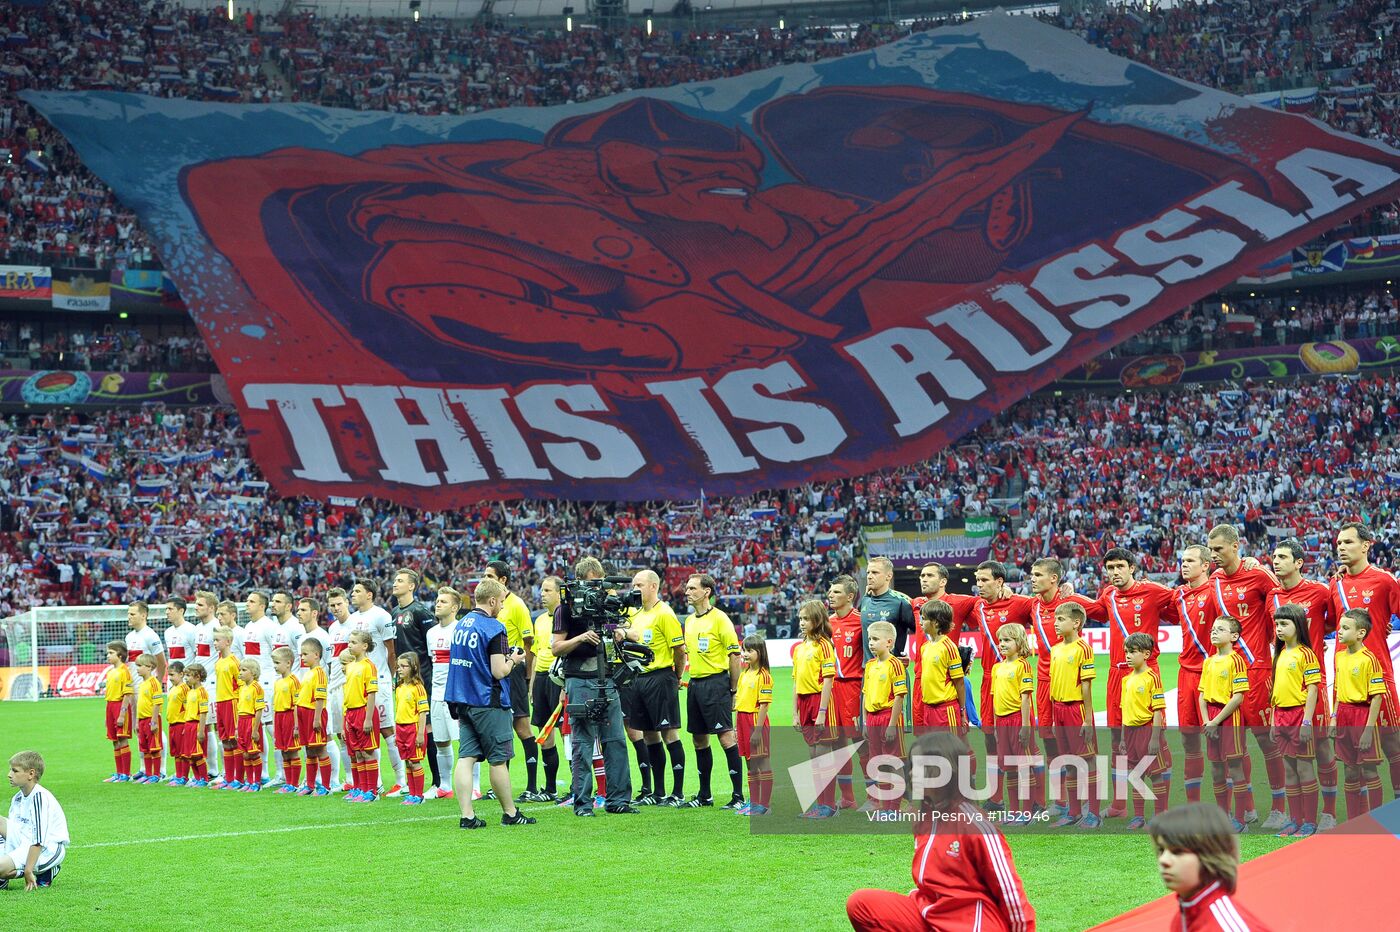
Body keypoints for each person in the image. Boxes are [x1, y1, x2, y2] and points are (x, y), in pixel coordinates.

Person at [846, 732, 1035, 932]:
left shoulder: (974, 825)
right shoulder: (925, 819)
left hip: (969, 923)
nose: (911, 773)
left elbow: (1010, 891)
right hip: (930, 913)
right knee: (861, 904)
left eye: (920, 766)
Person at [1207, 524, 1286, 828]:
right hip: (1227, 674)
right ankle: (1248, 808)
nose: (1214, 555)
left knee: (1267, 740)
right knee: (1234, 747)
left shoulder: (1259, 574)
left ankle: (1279, 807)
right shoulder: (1214, 580)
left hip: (1257, 670)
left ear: (1236, 546)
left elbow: (1283, 602)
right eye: (1210, 550)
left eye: (1218, 549)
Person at [446, 577, 536, 828]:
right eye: (502, 602)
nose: (503, 606)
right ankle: (510, 813)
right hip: (488, 701)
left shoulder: (461, 624)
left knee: (466, 758)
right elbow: (498, 671)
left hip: (463, 700)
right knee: (498, 759)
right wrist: (514, 660)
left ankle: (467, 816)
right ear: (493, 600)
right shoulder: (494, 627)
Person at [552, 557, 635, 816]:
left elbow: (630, 631)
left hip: (607, 677)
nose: (597, 588)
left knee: (616, 740)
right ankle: (583, 803)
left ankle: (618, 800)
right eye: (592, 583)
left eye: (599, 583)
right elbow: (556, 647)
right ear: (580, 580)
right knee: (583, 742)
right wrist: (581, 638)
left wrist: (618, 631)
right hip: (579, 678)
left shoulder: (606, 604)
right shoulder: (566, 608)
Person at [1267, 539, 1337, 827]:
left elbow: (1335, 620)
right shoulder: (1271, 595)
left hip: (1313, 684)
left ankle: (1329, 813)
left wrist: (1314, 638)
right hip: (1286, 688)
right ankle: (1299, 819)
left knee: (1321, 749)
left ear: (1298, 562)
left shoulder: (1319, 591)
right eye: (1274, 556)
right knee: (1293, 760)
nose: (1276, 561)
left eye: (1282, 557)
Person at [1098, 548, 1172, 819]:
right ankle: (1119, 805)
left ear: (1132, 568)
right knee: (1117, 741)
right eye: (1110, 568)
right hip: (1116, 676)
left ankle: (1161, 809)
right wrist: (1067, 592)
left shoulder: (1152, 590)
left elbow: (1181, 598)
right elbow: (1091, 610)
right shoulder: (1108, 594)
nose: (1115, 572)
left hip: (1145, 672)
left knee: (1153, 739)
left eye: (1120, 566)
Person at [1330, 522, 1400, 799]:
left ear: (1366, 545)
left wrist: (1380, 625)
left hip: (1378, 676)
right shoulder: (1335, 584)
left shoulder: (1384, 580)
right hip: (1346, 684)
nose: (1341, 547)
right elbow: (1328, 624)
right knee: (1351, 759)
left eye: (1348, 542)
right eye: (1339, 543)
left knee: (1393, 744)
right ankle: (1360, 817)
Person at [1150, 803, 1272, 931]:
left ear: (1209, 855)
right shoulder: (1183, 917)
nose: (1163, 860)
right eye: (1161, 850)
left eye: (1178, 851)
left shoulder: (1223, 926)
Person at [973, 560, 1035, 810]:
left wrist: (1067, 589)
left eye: (984, 580)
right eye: (977, 580)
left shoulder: (1019, 603)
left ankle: (1036, 801)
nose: (979, 585)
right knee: (990, 739)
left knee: (1025, 744)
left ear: (999, 582)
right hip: (990, 680)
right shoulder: (976, 606)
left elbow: (1046, 605)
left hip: (1013, 681)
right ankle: (996, 797)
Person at [679, 573, 743, 809]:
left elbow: (734, 656)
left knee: (726, 737)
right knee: (698, 739)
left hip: (716, 683)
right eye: (687, 588)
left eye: (692, 588)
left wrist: (733, 690)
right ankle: (704, 795)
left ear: (706, 592)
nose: (687, 592)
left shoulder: (720, 619)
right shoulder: (689, 621)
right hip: (695, 684)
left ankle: (738, 796)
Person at [623, 568, 685, 806]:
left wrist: (676, 676)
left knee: (669, 733)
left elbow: (679, 650)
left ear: (653, 587)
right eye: (633, 585)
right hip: (639, 679)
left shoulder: (665, 613)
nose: (635, 589)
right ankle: (657, 792)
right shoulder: (636, 615)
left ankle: (677, 792)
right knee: (649, 736)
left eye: (639, 585)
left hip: (660, 677)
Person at [484, 560, 538, 800]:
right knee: (501, 727)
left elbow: (528, 642)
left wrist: (526, 676)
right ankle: (499, 786)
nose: (484, 579)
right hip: (496, 671)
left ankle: (532, 787)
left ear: (502, 580)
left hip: (512, 670)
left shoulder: (516, 605)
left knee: (521, 726)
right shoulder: (490, 605)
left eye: (489, 576)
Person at [1269, 604, 1321, 836]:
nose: (1279, 628)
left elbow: (1313, 690)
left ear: (1298, 625)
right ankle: (1295, 821)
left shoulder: (1306, 654)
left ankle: (1309, 822)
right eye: (1277, 624)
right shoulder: (1280, 654)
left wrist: (1307, 722)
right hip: (1280, 715)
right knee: (1289, 771)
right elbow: (1275, 691)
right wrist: (1273, 721)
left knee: (1304, 768)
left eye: (1284, 624)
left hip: (1299, 716)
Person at [348, 579, 402, 795]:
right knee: (363, 733)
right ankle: (375, 783)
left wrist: (390, 678)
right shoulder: (352, 619)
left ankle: (401, 781)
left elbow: (391, 651)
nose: (353, 594)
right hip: (359, 684)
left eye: (357, 591)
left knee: (387, 730)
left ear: (369, 594)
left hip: (379, 680)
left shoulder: (381, 616)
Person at [1174, 545, 1219, 806]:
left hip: (1212, 673)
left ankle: (1239, 809)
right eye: (1183, 560)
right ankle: (1193, 806)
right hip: (1186, 675)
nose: (1184, 564)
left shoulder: (1216, 589)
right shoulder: (1178, 594)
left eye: (1191, 561)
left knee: (1218, 742)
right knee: (1189, 739)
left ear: (1205, 565)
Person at [389, 568, 440, 795]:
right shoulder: (394, 612)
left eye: (400, 580)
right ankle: (412, 784)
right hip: (403, 680)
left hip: (422, 679)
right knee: (406, 727)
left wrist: (426, 677)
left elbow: (431, 645)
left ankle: (437, 782)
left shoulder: (420, 612)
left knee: (426, 727)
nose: (395, 583)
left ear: (411, 586)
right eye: (395, 579)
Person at [1331, 609, 1386, 818]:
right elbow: (1338, 690)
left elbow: (1377, 697)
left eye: (1345, 628)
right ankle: (1353, 820)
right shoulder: (1339, 657)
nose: (1339, 631)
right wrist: (1333, 717)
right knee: (1350, 771)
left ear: (1361, 633)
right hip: (1343, 715)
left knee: (1369, 770)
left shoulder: (1369, 659)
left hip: (1362, 716)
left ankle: (1377, 822)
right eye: (1339, 627)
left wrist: (1368, 731)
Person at [1048, 602, 1099, 828]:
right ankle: (1074, 811)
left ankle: (1094, 814)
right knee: (1068, 762)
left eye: (1061, 619)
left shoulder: (1083, 648)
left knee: (1088, 760)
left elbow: (1086, 686)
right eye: (1055, 619)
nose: (1055, 623)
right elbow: (1053, 684)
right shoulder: (1055, 649)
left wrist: (1087, 719)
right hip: (1058, 710)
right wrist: (1052, 717)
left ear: (1076, 623)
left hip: (1076, 710)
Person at [1199, 617, 1249, 831]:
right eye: (1213, 629)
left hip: (1229, 717)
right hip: (1210, 718)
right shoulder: (1208, 662)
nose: (1214, 632)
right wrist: (1206, 721)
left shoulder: (1236, 660)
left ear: (1234, 636)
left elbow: (1238, 697)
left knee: (1235, 767)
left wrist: (1216, 721)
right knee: (1216, 769)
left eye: (1220, 629)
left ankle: (1240, 819)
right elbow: (1202, 695)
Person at [1119, 632, 1170, 830]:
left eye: (1133, 652)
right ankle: (1138, 817)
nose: (1128, 656)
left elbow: (1158, 710)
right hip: (1130, 733)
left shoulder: (1152, 678)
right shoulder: (1126, 680)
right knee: (1135, 774)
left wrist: (1155, 738)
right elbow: (1124, 710)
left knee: (1155, 774)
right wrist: (1122, 739)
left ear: (1146, 654)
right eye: (1126, 652)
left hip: (1147, 731)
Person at [793, 598, 838, 819]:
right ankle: (821, 805)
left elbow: (828, 680)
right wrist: (795, 713)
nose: (802, 622)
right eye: (800, 618)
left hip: (819, 701)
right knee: (813, 756)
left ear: (817, 620)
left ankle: (829, 806)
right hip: (804, 703)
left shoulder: (825, 645)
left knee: (822, 755)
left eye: (807, 619)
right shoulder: (800, 648)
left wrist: (822, 712)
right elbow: (795, 682)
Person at [0, 751, 69, 891]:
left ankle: (46, 870)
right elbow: (13, 834)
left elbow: (38, 840)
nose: (9, 774)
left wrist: (28, 870)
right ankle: (4, 876)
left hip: (47, 849)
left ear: (31, 774)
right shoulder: (18, 798)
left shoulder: (39, 798)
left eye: (15, 771)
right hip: (25, 841)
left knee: (1, 868)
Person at [827, 573, 866, 809]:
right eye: (830, 591)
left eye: (836, 592)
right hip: (832, 689)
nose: (830, 595)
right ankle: (848, 798)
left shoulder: (861, 621)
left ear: (850, 596)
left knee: (862, 741)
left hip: (854, 687)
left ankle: (874, 797)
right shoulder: (827, 623)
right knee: (838, 745)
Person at [862, 620, 908, 814]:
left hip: (888, 717)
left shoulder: (895, 664)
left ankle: (895, 807)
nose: (871, 643)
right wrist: (865, 721)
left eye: (875, 639)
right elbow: (865, 694)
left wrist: (892, 725)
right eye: (869, 639)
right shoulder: (870, 665)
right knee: (878, 762)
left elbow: (899, 696)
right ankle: (884, 805)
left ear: (889, 642)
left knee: (893, 761)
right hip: (872, 719)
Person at [990, 623, 1036, 818]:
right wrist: (995, 726)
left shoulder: (1022, 665)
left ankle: (1027, 812)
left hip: (1018, 719)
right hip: (1001, 723)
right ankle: (1014, 811)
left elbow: (1025, 699)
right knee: (1009, 767)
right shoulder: (996, 668)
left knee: (1023, 767)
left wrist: (1025, 726)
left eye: (1007, 640)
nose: (1002, 644)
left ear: (1019, 642)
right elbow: (994, 698)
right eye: (1000, 640)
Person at [242, 591, 282, 786]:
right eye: (247, 600)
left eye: (252, 601)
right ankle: (264, 772)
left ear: (262, 606)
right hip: (252, 684)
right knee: (259, 727)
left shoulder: (269, 627)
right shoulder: (248, 627)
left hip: (266, 683)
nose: (247, 603)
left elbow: (277, 656)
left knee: (271, 726)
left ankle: (281, 773)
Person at [530, 576, 564, 801]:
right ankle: (550, 789)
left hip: (559, 679)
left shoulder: (567, 618)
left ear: (560, 593)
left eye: (548, 590)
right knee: (544, 734)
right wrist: (532, 684)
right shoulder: (540, 620)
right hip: (542, 679)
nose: (542, 594)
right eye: (542, 590)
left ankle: (577, 787)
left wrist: (565, 684)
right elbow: (536, 654)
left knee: (566, 734)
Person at [427, 586, 461, 800]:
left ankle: (475, 786)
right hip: (437, 693)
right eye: (438, 600)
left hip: (456, 694)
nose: (438, 604)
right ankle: (445, 786)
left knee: (464, 741)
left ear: (455, 608)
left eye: (443, 601)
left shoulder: (460, 630)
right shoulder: (431, 633)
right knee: (440, 741)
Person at [735, 633, 773, 816]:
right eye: (744, 650)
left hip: (755, 721)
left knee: (762, 762)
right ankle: (754, 802)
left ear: (760, 652)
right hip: (742, 720)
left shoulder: (764, 676)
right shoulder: (744, 674)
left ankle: (764, 805)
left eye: (750, 650)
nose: (745, 654)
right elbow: (739, 701)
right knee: (750, 763)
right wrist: (736, 728)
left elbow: (764, 705)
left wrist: (757, 730)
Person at [342, 630, 381, 802]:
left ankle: (372, 791)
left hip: (364, 712)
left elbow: (371, 693)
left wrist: (368, 718)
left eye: (353, 642)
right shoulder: (350, 666)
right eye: (349, 642)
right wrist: (346, 717)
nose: (349, 645)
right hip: (351, 713)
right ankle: (362, 789)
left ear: (364, 646)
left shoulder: (368, 666)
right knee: (357, 753)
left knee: (367, 753)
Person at [917, 600, 966, 733]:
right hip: (928, 708)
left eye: (924, 619)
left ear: (936, 622)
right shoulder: (925, 647)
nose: (920, 622)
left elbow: (959, 682)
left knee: (949, 745)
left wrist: (962, 711)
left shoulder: (948, 647)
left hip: (945, 709)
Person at [190, 591, 223, 782]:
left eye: (200, 605)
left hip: (214, 684)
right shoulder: (197, 629)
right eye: (196, 604)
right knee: (206, 726)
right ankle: (211, 770)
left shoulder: (217, 627)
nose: (196, 607)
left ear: (211, 608)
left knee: (217, 727)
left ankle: (220, 771)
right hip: (201, 685)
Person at [324, 587, 353, 793]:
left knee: (353, 734)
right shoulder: (333, 628)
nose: (336, 608)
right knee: (340, 735)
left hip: (348, 685)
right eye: (332, 605)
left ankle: (373, 780)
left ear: (347, 602)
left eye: (339, 604)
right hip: (334, 685)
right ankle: (350, 778)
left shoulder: (355, 624)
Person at [393, 651, 430, 806]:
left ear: (413, 667)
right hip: (401, 728)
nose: (400, 669)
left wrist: (420, 734)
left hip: (413, 729)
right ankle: (411, 794)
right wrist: (396, 732)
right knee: (408, 762)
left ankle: (418, 795)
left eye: (404, 666)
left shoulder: (418, 688)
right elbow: (398, 710)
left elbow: (423, 712)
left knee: (415, 762)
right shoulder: (399, 687)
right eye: (398, 666)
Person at [296, 638, 331, 795]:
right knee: (309, 750)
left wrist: (317, 719)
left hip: (314, 714)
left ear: (316, 655)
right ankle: (309, 785)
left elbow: (320, 698)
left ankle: (326, 787)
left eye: (305, 654)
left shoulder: (320, 673)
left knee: (320, 749)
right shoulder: (308, 673)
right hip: (304, 715)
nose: (302, 657)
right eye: (301, 654)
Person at [212, 628, 243, 789]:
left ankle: (239, 779)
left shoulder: (234, 662)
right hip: (220, 703)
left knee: (234, 740)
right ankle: (229, 778)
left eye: (218, 640)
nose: (215, 643)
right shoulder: (218, 662)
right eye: (214, 640)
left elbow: (241, 685)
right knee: (225, 740)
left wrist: (239, 705)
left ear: (228, 642)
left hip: (231, 703)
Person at [270, 647, 303, 794]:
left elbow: (296, 704)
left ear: (288, 663)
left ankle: (294, 783)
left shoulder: (294, 681)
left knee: (292, 751)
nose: (275, 666)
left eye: (277, 663)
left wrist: (296, 725)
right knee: (283, 751)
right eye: (274, 663)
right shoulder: (278, 682)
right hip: (279, 718)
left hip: (289, 717)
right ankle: (288, 783)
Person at [234, 658, 266, 794]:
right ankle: (249, 781)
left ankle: (257, 783)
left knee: (253, 753)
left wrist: (255, 729)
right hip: (241, 722)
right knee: (245, 754)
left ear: (253, 672)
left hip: (251, 722)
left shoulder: (257, 688)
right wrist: (237, 728)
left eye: (244, 670)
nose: (240, 673)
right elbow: (239, 709)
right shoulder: (242, 688)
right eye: (240, 670)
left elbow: (259, 710)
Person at [134, 654, 165, 784]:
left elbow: (157, 703)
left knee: (154, 748)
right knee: (145, 748)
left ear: (149, 667)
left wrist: (153, 721)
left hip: (151, 720)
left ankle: (156, 775)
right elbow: (139, 704)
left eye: (140, 666)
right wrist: (137, 721)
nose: (137, 669)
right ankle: (148, 774)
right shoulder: (142, 684)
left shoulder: (154, 683)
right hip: (142, 720)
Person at [183, 663, 211, 787]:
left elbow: (203, 712)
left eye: (189, 675)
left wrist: (201, 731)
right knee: (190, 755)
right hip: (188, 725)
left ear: (198, 676)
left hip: (197, 725)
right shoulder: (190, 692)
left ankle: (204, 779)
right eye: (185, 675)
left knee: (197, 754)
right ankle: (197, 778)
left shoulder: (202, 692)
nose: (186, 678)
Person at [125, 600, 166, 684]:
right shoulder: (129, 637)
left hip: (146, 687)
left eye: (132, 614)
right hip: (132, 688)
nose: (129, 617)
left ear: (143, 616)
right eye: (128, 614)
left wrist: (158, 683)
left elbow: (162, 663)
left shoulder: (150, 635)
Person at [166, 662, 191, 786]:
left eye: (172, 675)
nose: (170, 677)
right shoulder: (172, 688)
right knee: (176, 753)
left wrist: (187, 724)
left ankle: (184, 777)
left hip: (181, 724)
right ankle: (178, 775)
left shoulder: (185, 689)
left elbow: (188, 708)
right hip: (172, 724)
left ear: (181, 674)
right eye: (169, 675)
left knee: (183, 753)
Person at [163, 597, 196, 676]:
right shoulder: (167, 632)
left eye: (170, 609)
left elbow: (198, 656)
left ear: (181, 611)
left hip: (186, 678)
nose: (167, 612)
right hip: (171, 679)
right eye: (166, 609)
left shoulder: (192, 630)